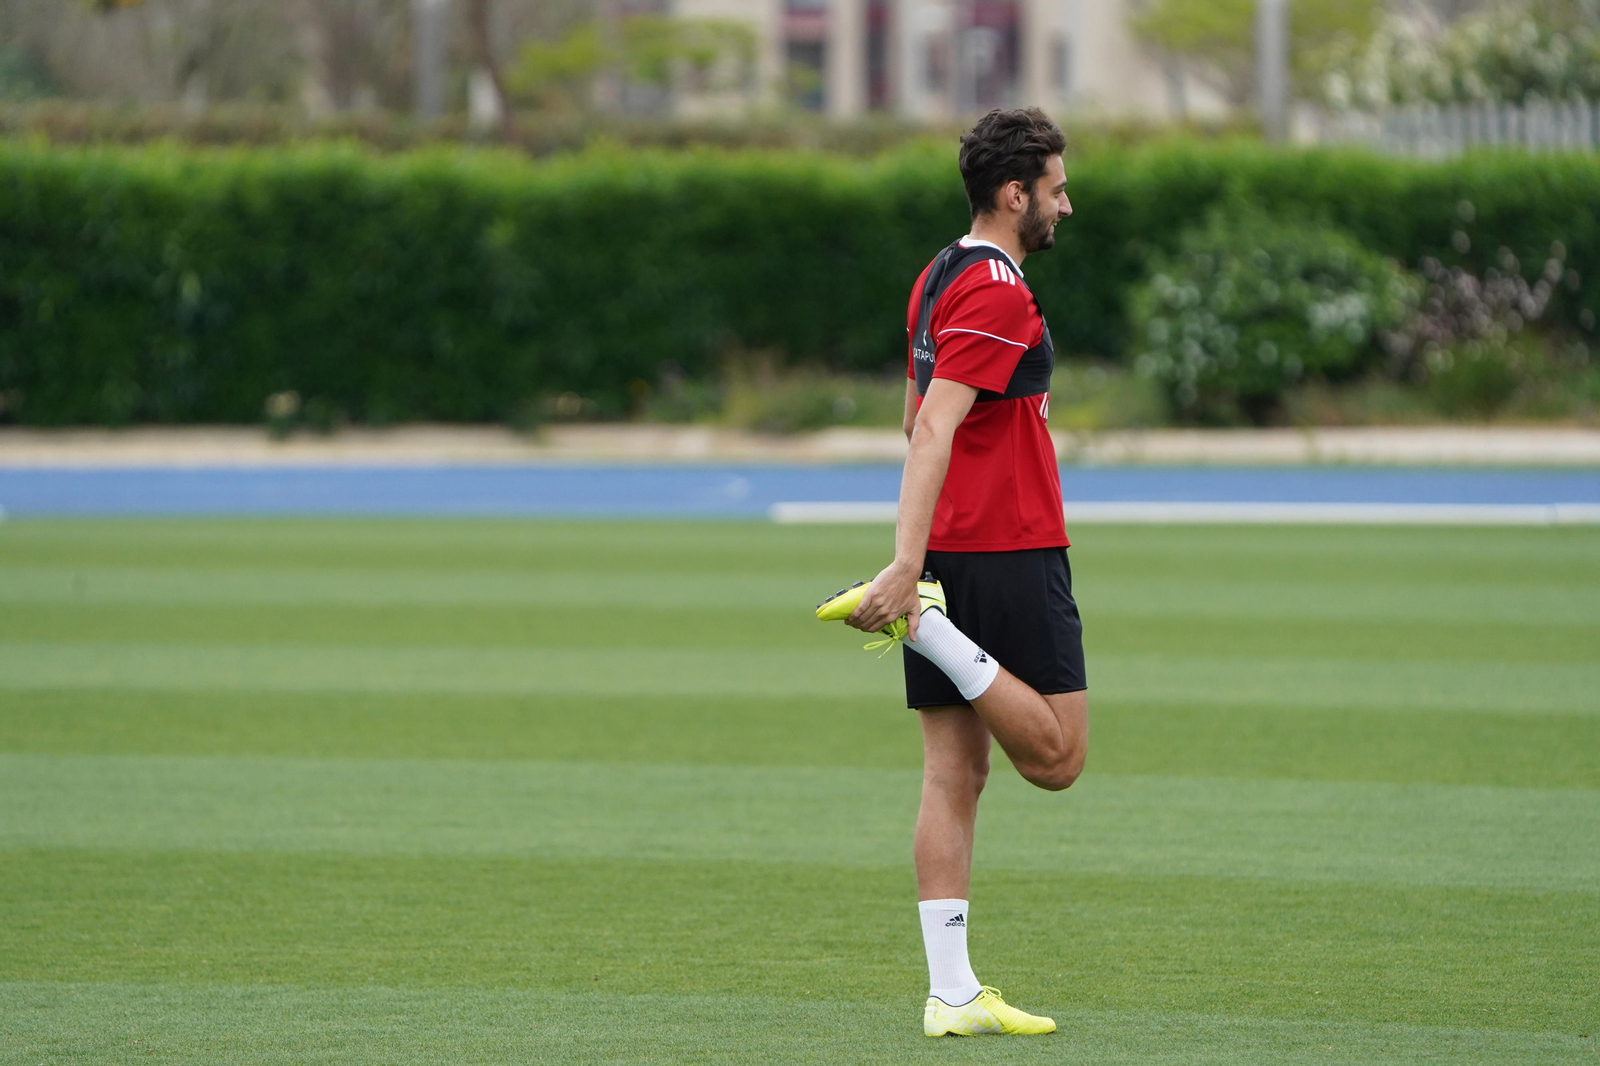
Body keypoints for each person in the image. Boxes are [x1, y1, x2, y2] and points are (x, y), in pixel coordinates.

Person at [815, 107, 1087, 1038]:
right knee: (1056, 757)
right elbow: (931, 427)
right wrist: (906, 574)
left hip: (957, 549)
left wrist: (921, 554)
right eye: (1055, 188)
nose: (1065, 203)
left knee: (953, 774)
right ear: (1017, 195)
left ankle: (953, 994)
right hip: (1006, 551)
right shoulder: (998, 293)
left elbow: (914, 418)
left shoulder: (938, 273)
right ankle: (920, 618)